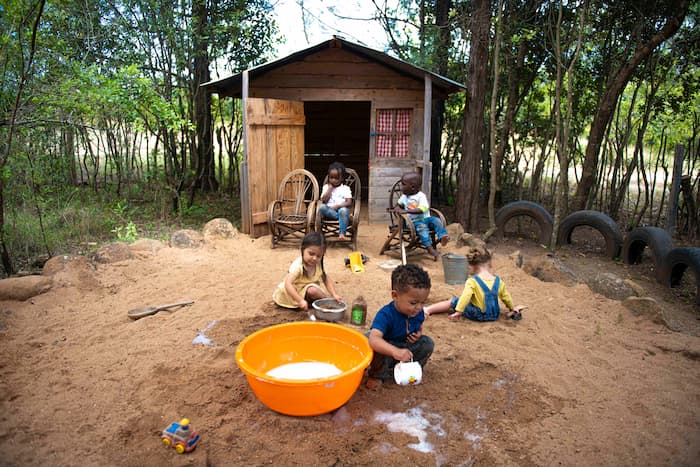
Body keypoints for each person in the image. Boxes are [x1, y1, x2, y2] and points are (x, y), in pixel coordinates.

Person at [366, 263, 434, 389]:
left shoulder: (417, 312)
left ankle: (411, 370)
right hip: (387, 349)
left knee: (427, 343)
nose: (419, 307)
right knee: (370, 341)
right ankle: (376, 375)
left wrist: (418, 333)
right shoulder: (386, 314)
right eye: (413, 302)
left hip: (404, 348)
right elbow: (374, 339)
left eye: (423, 302)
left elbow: (419, 325)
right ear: (395, 295)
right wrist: (394, 351)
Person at [424, 246, 526, 321]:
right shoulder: (499, 281)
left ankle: (428, 309)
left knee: (453, 301)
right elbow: (506, 297)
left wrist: (459, 311)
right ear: (490, 263)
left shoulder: (472, 281)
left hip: (478, 314)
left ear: (472, 266)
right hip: (494, 315)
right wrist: (512, 308)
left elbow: (465, 296)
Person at [272, 231, 342, 320]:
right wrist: (300, 301)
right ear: (302, 249)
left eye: (318, 256)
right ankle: (303, 302)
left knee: (313, 290)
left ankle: (324, 303)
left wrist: (334, 294)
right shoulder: (298, 266)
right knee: (310, 291)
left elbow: (325, 278)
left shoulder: (318, 264)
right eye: (311, 254)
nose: (314, 258)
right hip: (293, 290)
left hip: (306, 289)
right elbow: (288, 283)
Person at [394, 171, 449, 260]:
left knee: (436, 220)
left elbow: (422, 209)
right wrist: (397, 209)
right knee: (422, 228)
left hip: (426, 218)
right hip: (413, 222)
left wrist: (406, 210)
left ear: (412, 187)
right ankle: (429, 248)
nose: (401, 187)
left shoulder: (421, 196)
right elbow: (397, 206)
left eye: (403, 184)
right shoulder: (404, 197)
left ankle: (442, 236)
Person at [318, 161, 353, 240]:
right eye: (331, 178)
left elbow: (349, 202)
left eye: (336, 178)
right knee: (322, 207)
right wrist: (330, 189)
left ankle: (342, 233)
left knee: (343, 210)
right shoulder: (326, 187)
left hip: (341, 210)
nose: (333, 180)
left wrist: (338, 206)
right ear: (328, 177)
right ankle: (344, 218)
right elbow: (323, 199)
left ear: (342, 178)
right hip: (329, 213)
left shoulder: (345, 188)